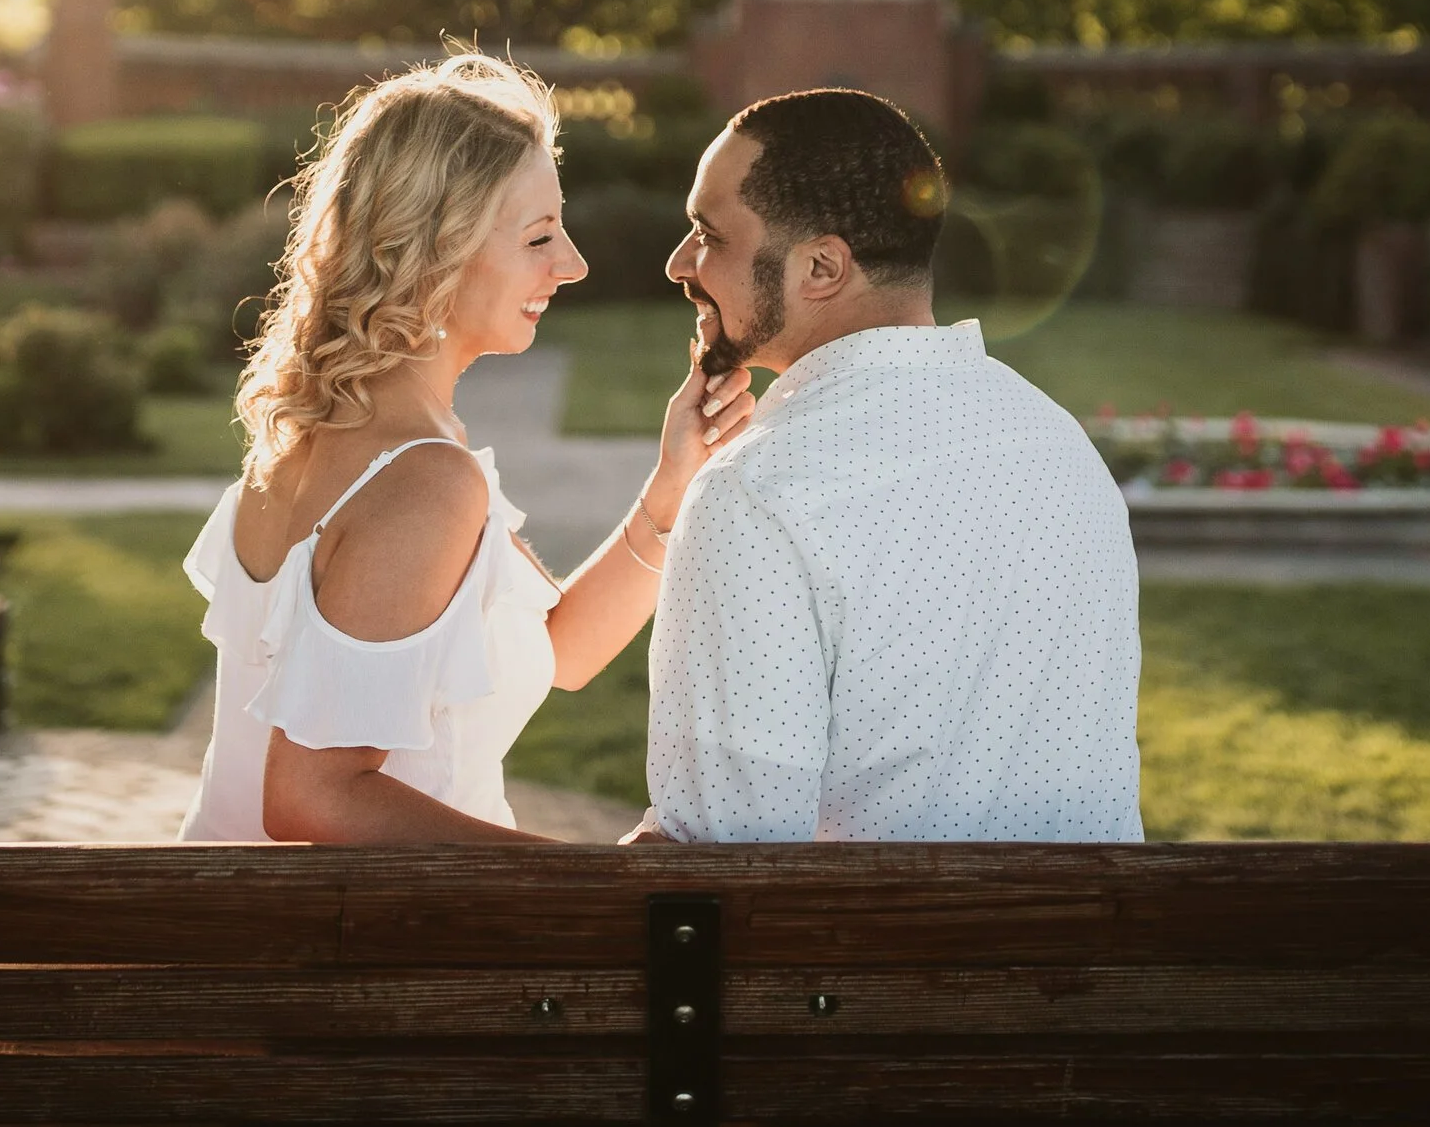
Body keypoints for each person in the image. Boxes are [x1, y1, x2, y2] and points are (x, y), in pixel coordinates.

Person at [176, 54, 753, 843]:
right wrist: (593, 890)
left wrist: (671, 486)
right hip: (368, 951)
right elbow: (316, 795)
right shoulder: (423, 481)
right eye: (539, 236)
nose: (573, 264)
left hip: (263, 937)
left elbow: (559, 653)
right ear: (436, 249)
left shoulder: (324, 438)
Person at [639, 88, 1143, 843]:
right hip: (1095, 950)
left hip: (886, 958)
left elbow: (722, 864)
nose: (680, 263)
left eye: (709, 235)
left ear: (820, 266)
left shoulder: (758, 494)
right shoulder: (1059, 445)